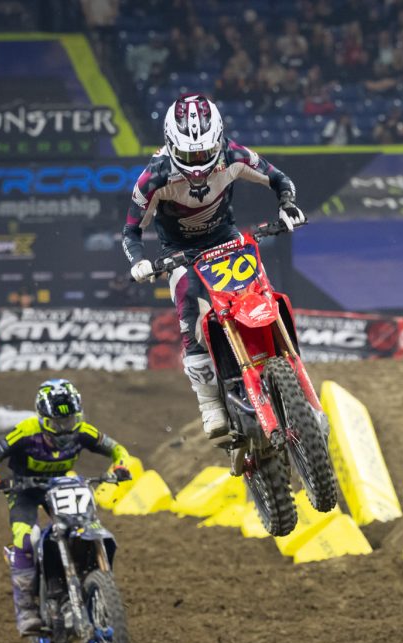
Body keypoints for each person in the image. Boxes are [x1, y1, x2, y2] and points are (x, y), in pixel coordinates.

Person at [123, 93, 305, 438]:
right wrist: (139, 262)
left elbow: (280, 179)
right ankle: (210, 404)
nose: (197, 165)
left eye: (204, 153)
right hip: (180, 252)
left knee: (263, 295)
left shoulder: (234, 155)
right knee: (191, 317)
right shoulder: (154, 178)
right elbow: (131, 230)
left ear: (218, 139)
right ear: (170, 144)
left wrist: (287, 204)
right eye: (189, 156)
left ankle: (291, 375)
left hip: (226, 239)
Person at [0, 379, 132, 635]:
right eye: (57, 423)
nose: (64, 429)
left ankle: (89, 583)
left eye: (69, 421)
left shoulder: (83, 431)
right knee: (27, 538)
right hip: (24, 490)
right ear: (43, 419)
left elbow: (118, 450)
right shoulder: (26, 431)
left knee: (85, 526)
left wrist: (121, 467)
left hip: (62, 486)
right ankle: (26, 610)